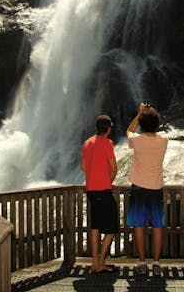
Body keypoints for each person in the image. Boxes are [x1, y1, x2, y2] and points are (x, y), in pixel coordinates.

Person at [126, 103, 168, 276]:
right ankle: (156, 263)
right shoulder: (163, 140)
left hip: (138, 188)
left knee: (138, 226)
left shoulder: (136, 141)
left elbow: (129, 130)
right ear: (157, 123)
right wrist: (147, 113)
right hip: (156, 189)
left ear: (142, 124)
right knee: (158, 226)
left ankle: (142, 262)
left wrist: (139, 113)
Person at [80, 114, 119, 274]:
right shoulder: (107, 143)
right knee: (111, 228)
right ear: (108, 128)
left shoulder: (87, 143)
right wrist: (107, 180)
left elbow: (83, 166)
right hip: (104, 190)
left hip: (91, 190)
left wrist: (94, 175)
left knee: (95, 226)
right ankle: (102, 261)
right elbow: (114, 167)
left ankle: (94, 263)